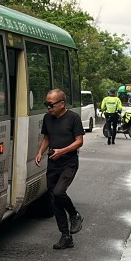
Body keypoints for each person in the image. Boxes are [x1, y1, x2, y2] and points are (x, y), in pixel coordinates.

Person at [34, 88, 84, 249]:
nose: (48, 108)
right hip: (53, 163)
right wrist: (40, 152)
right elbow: (46, 138)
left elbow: (79, 141)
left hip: (69, 162)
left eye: (51, 104)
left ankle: (75, 215)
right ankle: (65, 236)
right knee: (55, 200)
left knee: (59, 192)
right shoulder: (47, 118)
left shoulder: (73, 118)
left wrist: (62, 151)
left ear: (62, 104)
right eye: (46, 104)